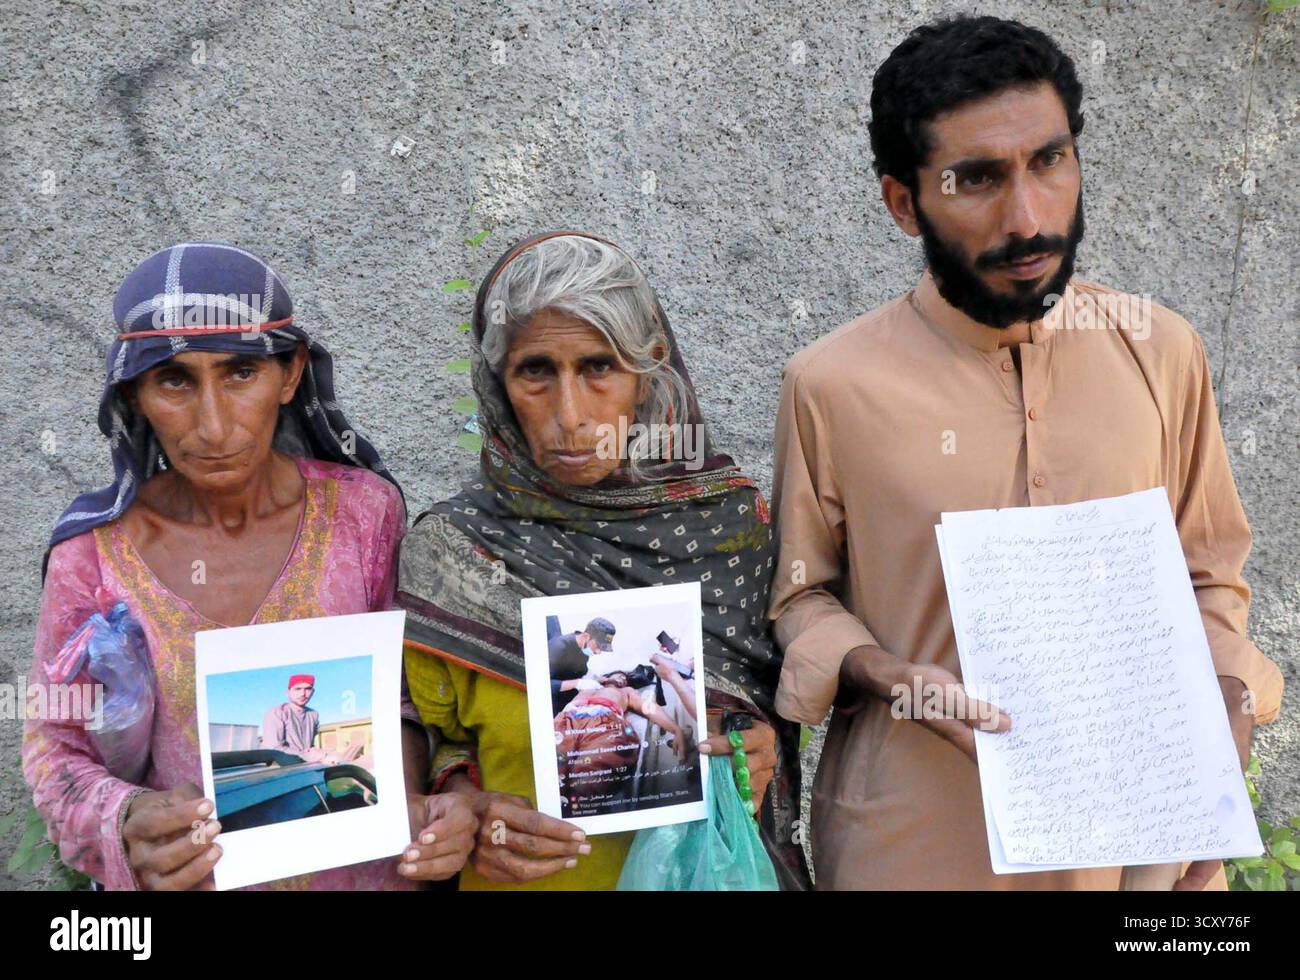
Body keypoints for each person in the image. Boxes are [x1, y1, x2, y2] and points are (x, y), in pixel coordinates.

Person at [768, 16, 1285, 891]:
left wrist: (1223, 738)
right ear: (903, 202)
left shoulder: (1159, 349)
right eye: (976, 179)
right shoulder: (830, 383)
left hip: (1150, 853)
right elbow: (799, 596)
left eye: (1049, 161)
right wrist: (884, 671)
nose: (1028, 217)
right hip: (915, 845)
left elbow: (1209, 575)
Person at [23, 243, 476, 890]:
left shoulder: (364, 516)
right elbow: (55, 747)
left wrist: (415, 804)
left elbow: (405, 699)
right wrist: (124, 818)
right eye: (174, 380)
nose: (212, 426)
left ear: (290, 375)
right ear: (135, 393)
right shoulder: (92, 556)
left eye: (241, 373)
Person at [398, 231, 810, 890]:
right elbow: (434, 744)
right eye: (536, 371)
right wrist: (473, 813)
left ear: (646, 377)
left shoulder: (727, 531)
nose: (571, 415)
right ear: (498, 386)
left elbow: (774, 710)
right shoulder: (455, 552)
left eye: (599, 367)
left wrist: (754, 753)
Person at [555, 670, 689, 817]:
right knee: (554, 766)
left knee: (589, 777)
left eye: (625, 678)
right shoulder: (589, 686)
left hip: (604, 722)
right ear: (606, 678)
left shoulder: (626, 691)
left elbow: (647, 707)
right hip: (566, 720)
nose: (622, 679)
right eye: (619, 675)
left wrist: (675, 729)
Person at [260, 674, 363, 764]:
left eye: (308, 689)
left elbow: (310, 746)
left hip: (305, 765)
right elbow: (273, 748)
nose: (303, 694)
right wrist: (313, 755)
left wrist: (325, 754)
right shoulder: (277, 713)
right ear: (288, 692)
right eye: (297, 689)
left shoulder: (313, 714)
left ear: (313, 692)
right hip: (280, 768)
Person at [549, 617, 615, 714]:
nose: (599, 652)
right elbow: (544, 685)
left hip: (569, 698)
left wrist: (595, 679)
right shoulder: (558, 647)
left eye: (602, 648)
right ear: (586, 636)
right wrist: (578, 683)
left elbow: (580, 670)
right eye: (598, 646)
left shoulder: (584, 648)